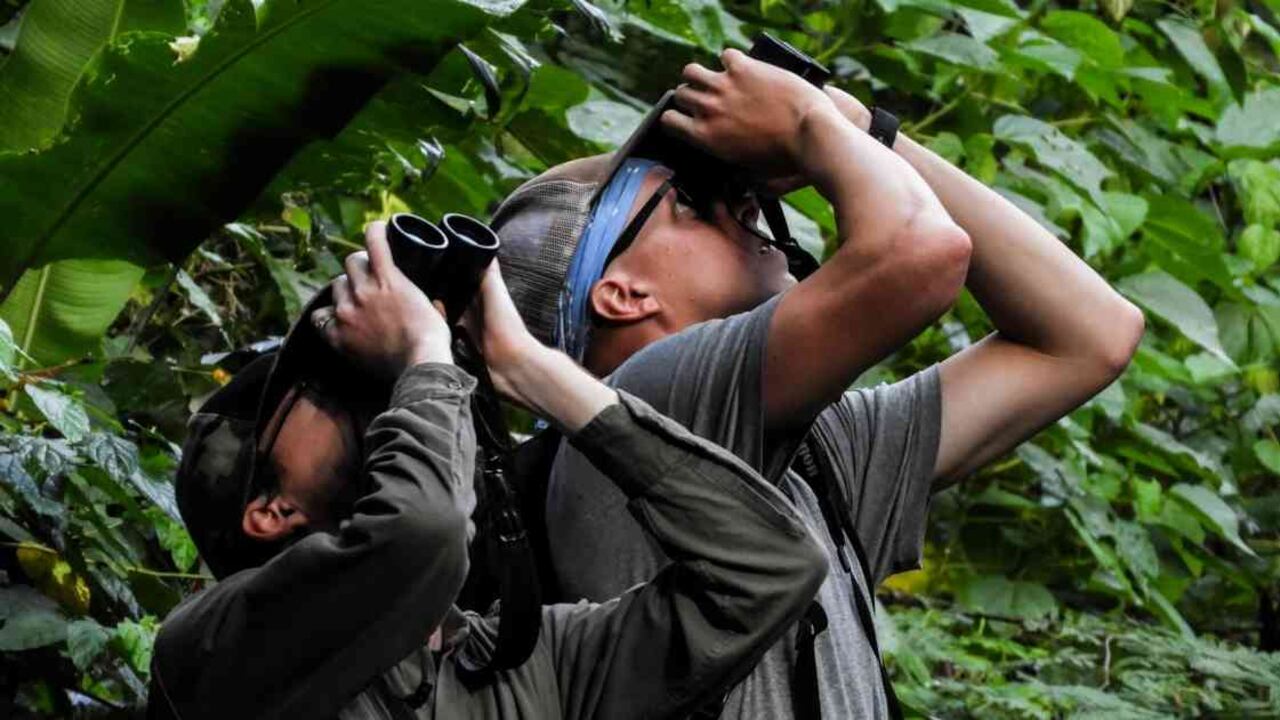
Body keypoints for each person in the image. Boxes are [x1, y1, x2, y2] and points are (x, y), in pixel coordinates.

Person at [489, 48, 1145, 718]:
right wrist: (814, 124)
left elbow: (1089, 336)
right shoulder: (641, 405)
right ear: (623, 295)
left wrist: (864, 130)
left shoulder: (812, 461)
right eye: (687, 202)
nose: (736, 200)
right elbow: (922, 254)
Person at [146, 221, 828, 719]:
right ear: (272, 511)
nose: (388, 397)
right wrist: (422, 355)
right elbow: (419, 531)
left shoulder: (537, 663)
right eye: (325, 394)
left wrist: (525, 367)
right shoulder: (218, 647)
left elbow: (770, 570)